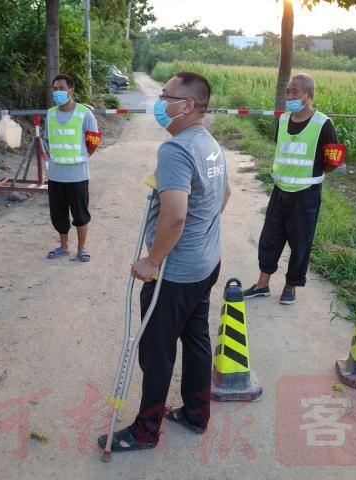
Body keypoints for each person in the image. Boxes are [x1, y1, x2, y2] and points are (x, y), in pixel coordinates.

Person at [98, 71, 232, 453]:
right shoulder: (209, 143)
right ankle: (195, 413)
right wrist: (203, 232)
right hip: (206, 264)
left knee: (156, 352)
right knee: (196, 338)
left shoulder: (175, 151)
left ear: (187, 106)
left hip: (175, 273)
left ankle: (145, 431)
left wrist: (152, 260)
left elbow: (174, 216)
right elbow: (224, 195)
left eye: (166, 96)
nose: (160, 103)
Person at [243, 73, 340, 305]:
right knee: (270, 239)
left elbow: (334, 160)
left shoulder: (323, 124)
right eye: (287, 91)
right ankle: (262, 284)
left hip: (306, 194)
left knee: (301, 243)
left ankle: (291, 286)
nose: (289, 96)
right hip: (279, 191)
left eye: (294, 92)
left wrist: (313, 173)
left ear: (309, 95)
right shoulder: (283, 119)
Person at [44, 74, 101, 262]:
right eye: (55, 88)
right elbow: (47, 141)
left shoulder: (84, 113)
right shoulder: (50, 114)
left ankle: (82, 248)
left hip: (77, 175)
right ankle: (64, 246)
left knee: (80, 214)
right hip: (56, 175)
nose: (57, 92)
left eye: (61, 88)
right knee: (58, 214)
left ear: (71, 89)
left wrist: (83, 157)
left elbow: (93, 140)